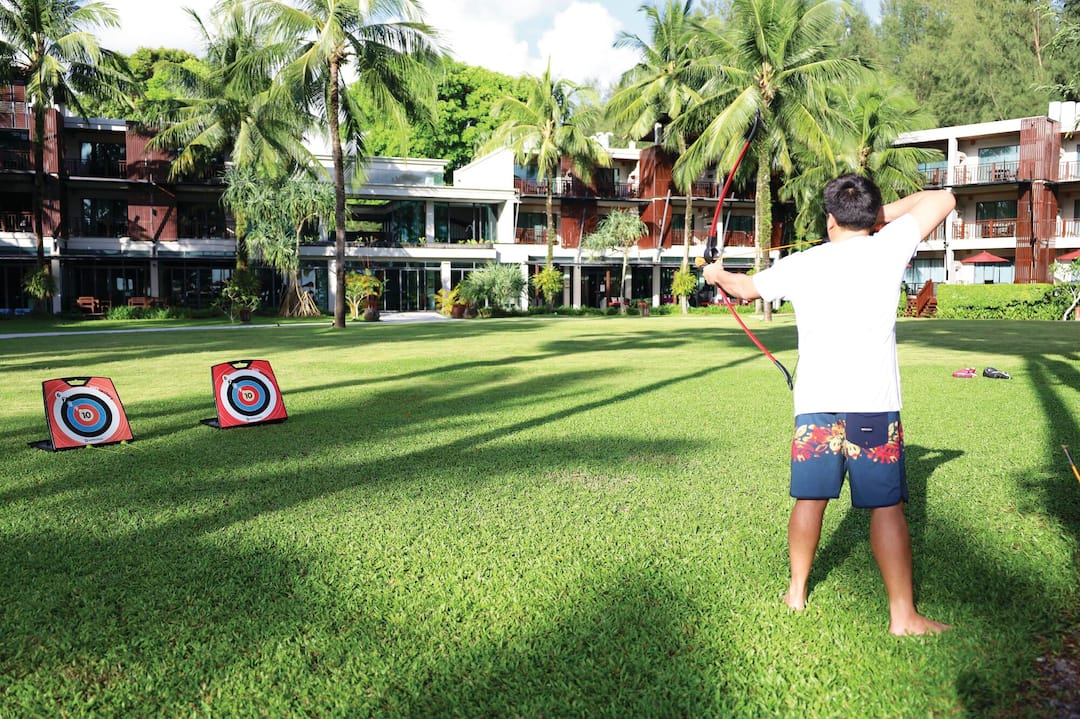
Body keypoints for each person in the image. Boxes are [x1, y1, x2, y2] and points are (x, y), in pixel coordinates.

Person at [703, 174, 955, 636]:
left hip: (816, 406)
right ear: (867, 216)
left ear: (830, 219)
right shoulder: (888, 245)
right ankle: (902, 616)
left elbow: (744, 289)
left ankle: (796, 593)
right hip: (873, 406)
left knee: (811, 499)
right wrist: (879, 216)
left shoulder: (804, 263)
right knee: (886, 508)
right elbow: (944, 198)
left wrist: (716, 274)